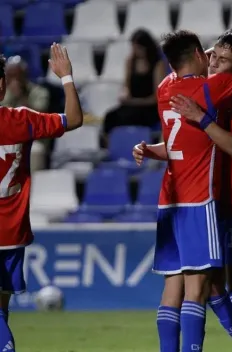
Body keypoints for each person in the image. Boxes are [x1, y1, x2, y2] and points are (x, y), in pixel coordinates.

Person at [142, 29, 232, 352]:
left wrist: (203, 119)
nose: (213, 60)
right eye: (212, 55)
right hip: (212, 201)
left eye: (223, 58)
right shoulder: (208, 89)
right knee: (207, 287)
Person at [0, 43, 83, 352]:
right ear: (2, 84)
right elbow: (73, 119)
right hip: (13, 233)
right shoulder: (22, 119)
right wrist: (66, 78)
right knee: (1, 308)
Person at [102, 29, 166, 143]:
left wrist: (134, 102)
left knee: (128, 117)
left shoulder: (157, 64)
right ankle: (110, 145)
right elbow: (126, 86)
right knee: (110, 117)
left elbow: (156, 98)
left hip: (149, 107)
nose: (136, 51)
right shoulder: (130, 62)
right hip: (132, 105)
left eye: (139, 48)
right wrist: (125, 95)